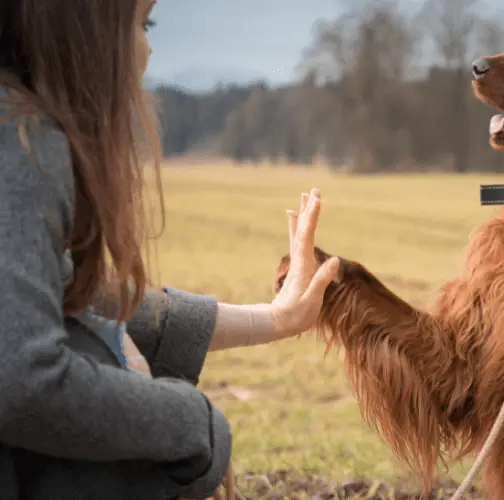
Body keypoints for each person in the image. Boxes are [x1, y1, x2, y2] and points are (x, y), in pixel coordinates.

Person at [0, 1, 340, 499]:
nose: (148, 49)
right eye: (142, 23)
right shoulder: (21, 142)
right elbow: (23, 380)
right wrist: (192, 423)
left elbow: (66, 297)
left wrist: (274, 318)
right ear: (84, 28)